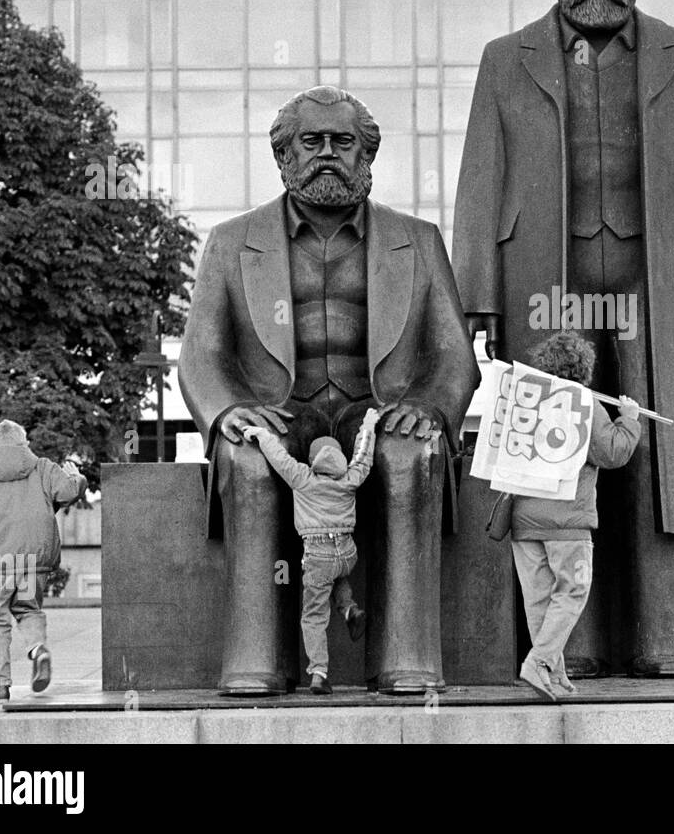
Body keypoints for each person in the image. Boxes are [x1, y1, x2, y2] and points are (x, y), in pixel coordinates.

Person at [452, 0, 674, 677]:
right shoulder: (505, 59)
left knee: (659, 452)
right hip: (541, 277)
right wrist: (476, 296)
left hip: (660, 278)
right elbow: (479, 184)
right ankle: (568, 644)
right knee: (552, 452)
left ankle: (667, 634)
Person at [178, 85, 479, 695]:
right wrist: (229, 410)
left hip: (378, 408)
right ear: (283, 156)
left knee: (411, 451)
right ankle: (256, 660)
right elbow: (200, 354)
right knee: (249, 454)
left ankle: (406, 659)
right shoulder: (233, 241)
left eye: (342, 142)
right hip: (280, 409)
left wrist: (429, 405)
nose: (326, 154)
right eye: (309, 142)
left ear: (366, 155)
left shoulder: (417, 239)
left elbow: (453, 355)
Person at [510, 331, 640, 701]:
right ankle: (538, 665)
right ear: (585, 368)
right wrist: (629, 420)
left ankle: (552, 673)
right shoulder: (585, 404)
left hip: (523, 520)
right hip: (567, 522)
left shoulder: (530, 401)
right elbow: (612, 452)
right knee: (572, 591)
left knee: (538, 600)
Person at [243, 409, 379, 695]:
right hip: (347, 553)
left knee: (313, 616)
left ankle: (319, 673)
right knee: (336, 577)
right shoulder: (351, 479)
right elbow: (364, 454)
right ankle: (349, 609)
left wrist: (264, 435)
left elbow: (280, 458)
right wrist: (368, 424)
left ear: (313, 460)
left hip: (318, 554)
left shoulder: (303, 478)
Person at [0, 420, 87, 703]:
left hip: (1, 563)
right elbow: (68, 492)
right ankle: (38, 648)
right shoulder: (44, 468)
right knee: (27, 608)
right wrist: (79, 479)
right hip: (34, 562)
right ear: (25, 444)